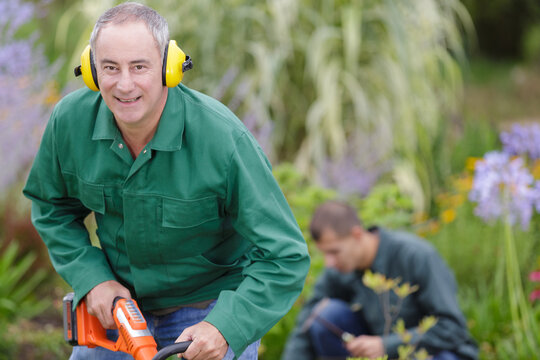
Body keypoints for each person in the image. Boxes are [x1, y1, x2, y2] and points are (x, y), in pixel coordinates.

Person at [23, 2, 310, 360]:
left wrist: (226, 326)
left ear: (169, 67)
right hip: (119, 311)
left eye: (139, 67)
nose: (124, 84)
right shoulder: (70, 121)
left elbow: (285, 256)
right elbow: (52, 209)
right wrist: (92, 278)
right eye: (110, 67)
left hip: (208, 312)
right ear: (92, 69)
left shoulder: (222, 139)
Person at [282, 201, 478, 360]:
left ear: (357, 234)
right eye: (324, 254)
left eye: (334, 252)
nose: (329, 262)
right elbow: (307, 322)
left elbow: (453, 328)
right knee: (325, 315)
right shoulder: (340, 270)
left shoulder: (415, 255)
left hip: (435, 353)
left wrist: (386, 346)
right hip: (381, 349)